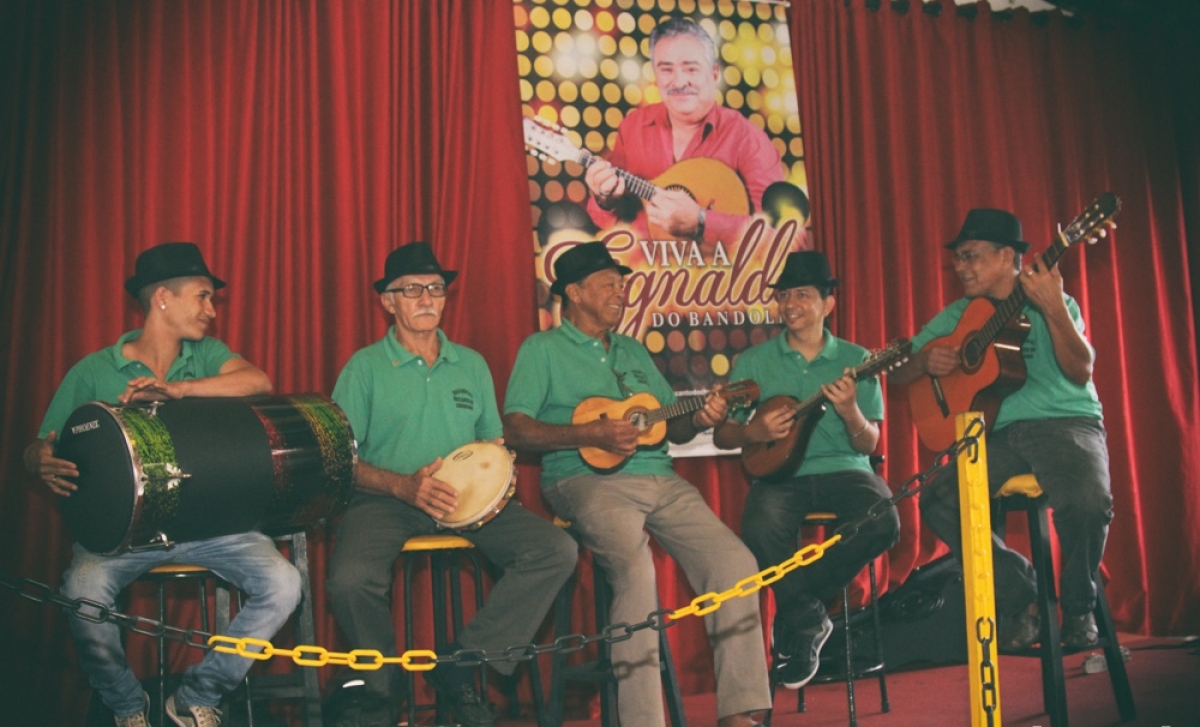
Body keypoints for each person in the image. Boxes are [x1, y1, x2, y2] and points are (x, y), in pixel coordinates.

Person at [24, 242, 301, 727]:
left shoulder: (207, 356)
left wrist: (178, 390)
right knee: (83, 592)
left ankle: (198, 695)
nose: (211, 311)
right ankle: (127, 705)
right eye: (202, 297)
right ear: (163, 299)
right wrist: (41, 460)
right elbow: (39, 446)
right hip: (124, 537)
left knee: (284, 583)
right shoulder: (94, 370)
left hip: (211, 526)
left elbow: (258, 381)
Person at [502, 241, 771, 727]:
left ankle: (738, 709)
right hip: (584, 482)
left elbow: (674, 424)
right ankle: (644, 721)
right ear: (575, 292)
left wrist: (706, 415)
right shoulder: (541, 349)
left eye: (622, 284)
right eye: (609, 283)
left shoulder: (632, 350)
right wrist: (589, 433)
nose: (620, 292)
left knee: (736, 562)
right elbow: (517, 429)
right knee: (635, 572)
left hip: (659, 478)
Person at [325, 242, 577, 727]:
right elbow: (341, 460)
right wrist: (402, 486)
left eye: (436, 289)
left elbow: (492, 445)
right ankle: (381, 688)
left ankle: (462, 663)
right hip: (385, 499)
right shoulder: (364, 368)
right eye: (412, 289)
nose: (426, 298)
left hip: (466, 499)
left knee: (555, 550)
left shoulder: (472, 364)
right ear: (388, 301)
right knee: (350, 580)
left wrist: (493, 477)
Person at [891, 208, 1113, 651]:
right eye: (958, 257)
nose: (960, 266)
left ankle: (1079, 606)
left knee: (1089, 500)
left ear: (1007, 256)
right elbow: (898, 372)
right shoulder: (958, 314)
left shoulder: (1054, 299)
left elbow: (1080, 369)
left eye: (970, 255)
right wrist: (925, 362)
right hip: (997, 434)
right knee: (937, 497)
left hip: (1063, 422)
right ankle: (1022, 594)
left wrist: (1052, 307)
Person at [712, 250, 901, 689]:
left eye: (802, 294)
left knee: (883, 521)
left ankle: (799, 611)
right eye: (783, 296)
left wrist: (851, 410)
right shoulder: (755, 362)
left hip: (847, 470)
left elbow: (870, 443)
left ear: (828, 304)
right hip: (781, 479)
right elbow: (724, 436)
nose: (789, 304)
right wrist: (753, 429)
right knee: (759, 528)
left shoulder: (858, 360)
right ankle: (810, 616)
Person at [584, 17, 785, 246]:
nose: (679, 81)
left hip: (719, 277)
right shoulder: (634, 127)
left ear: (714, 74)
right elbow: (612, 223)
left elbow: (782, 236)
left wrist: (702, 222)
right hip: (649, 275)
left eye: (691, 68)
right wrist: (605, 200)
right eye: (666, 69)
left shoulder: (748, 140)